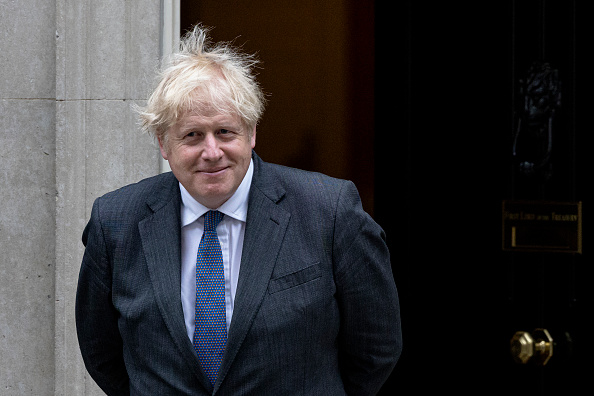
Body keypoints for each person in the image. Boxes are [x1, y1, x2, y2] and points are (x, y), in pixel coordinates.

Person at [75, 24, 402, 396]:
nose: (212, 152)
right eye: (192, 135)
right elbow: (102, 352)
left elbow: (376, 348)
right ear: (164, 144)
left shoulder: (329, 210)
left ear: (252, 133)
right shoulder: (115, 221)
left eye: (226, 132)